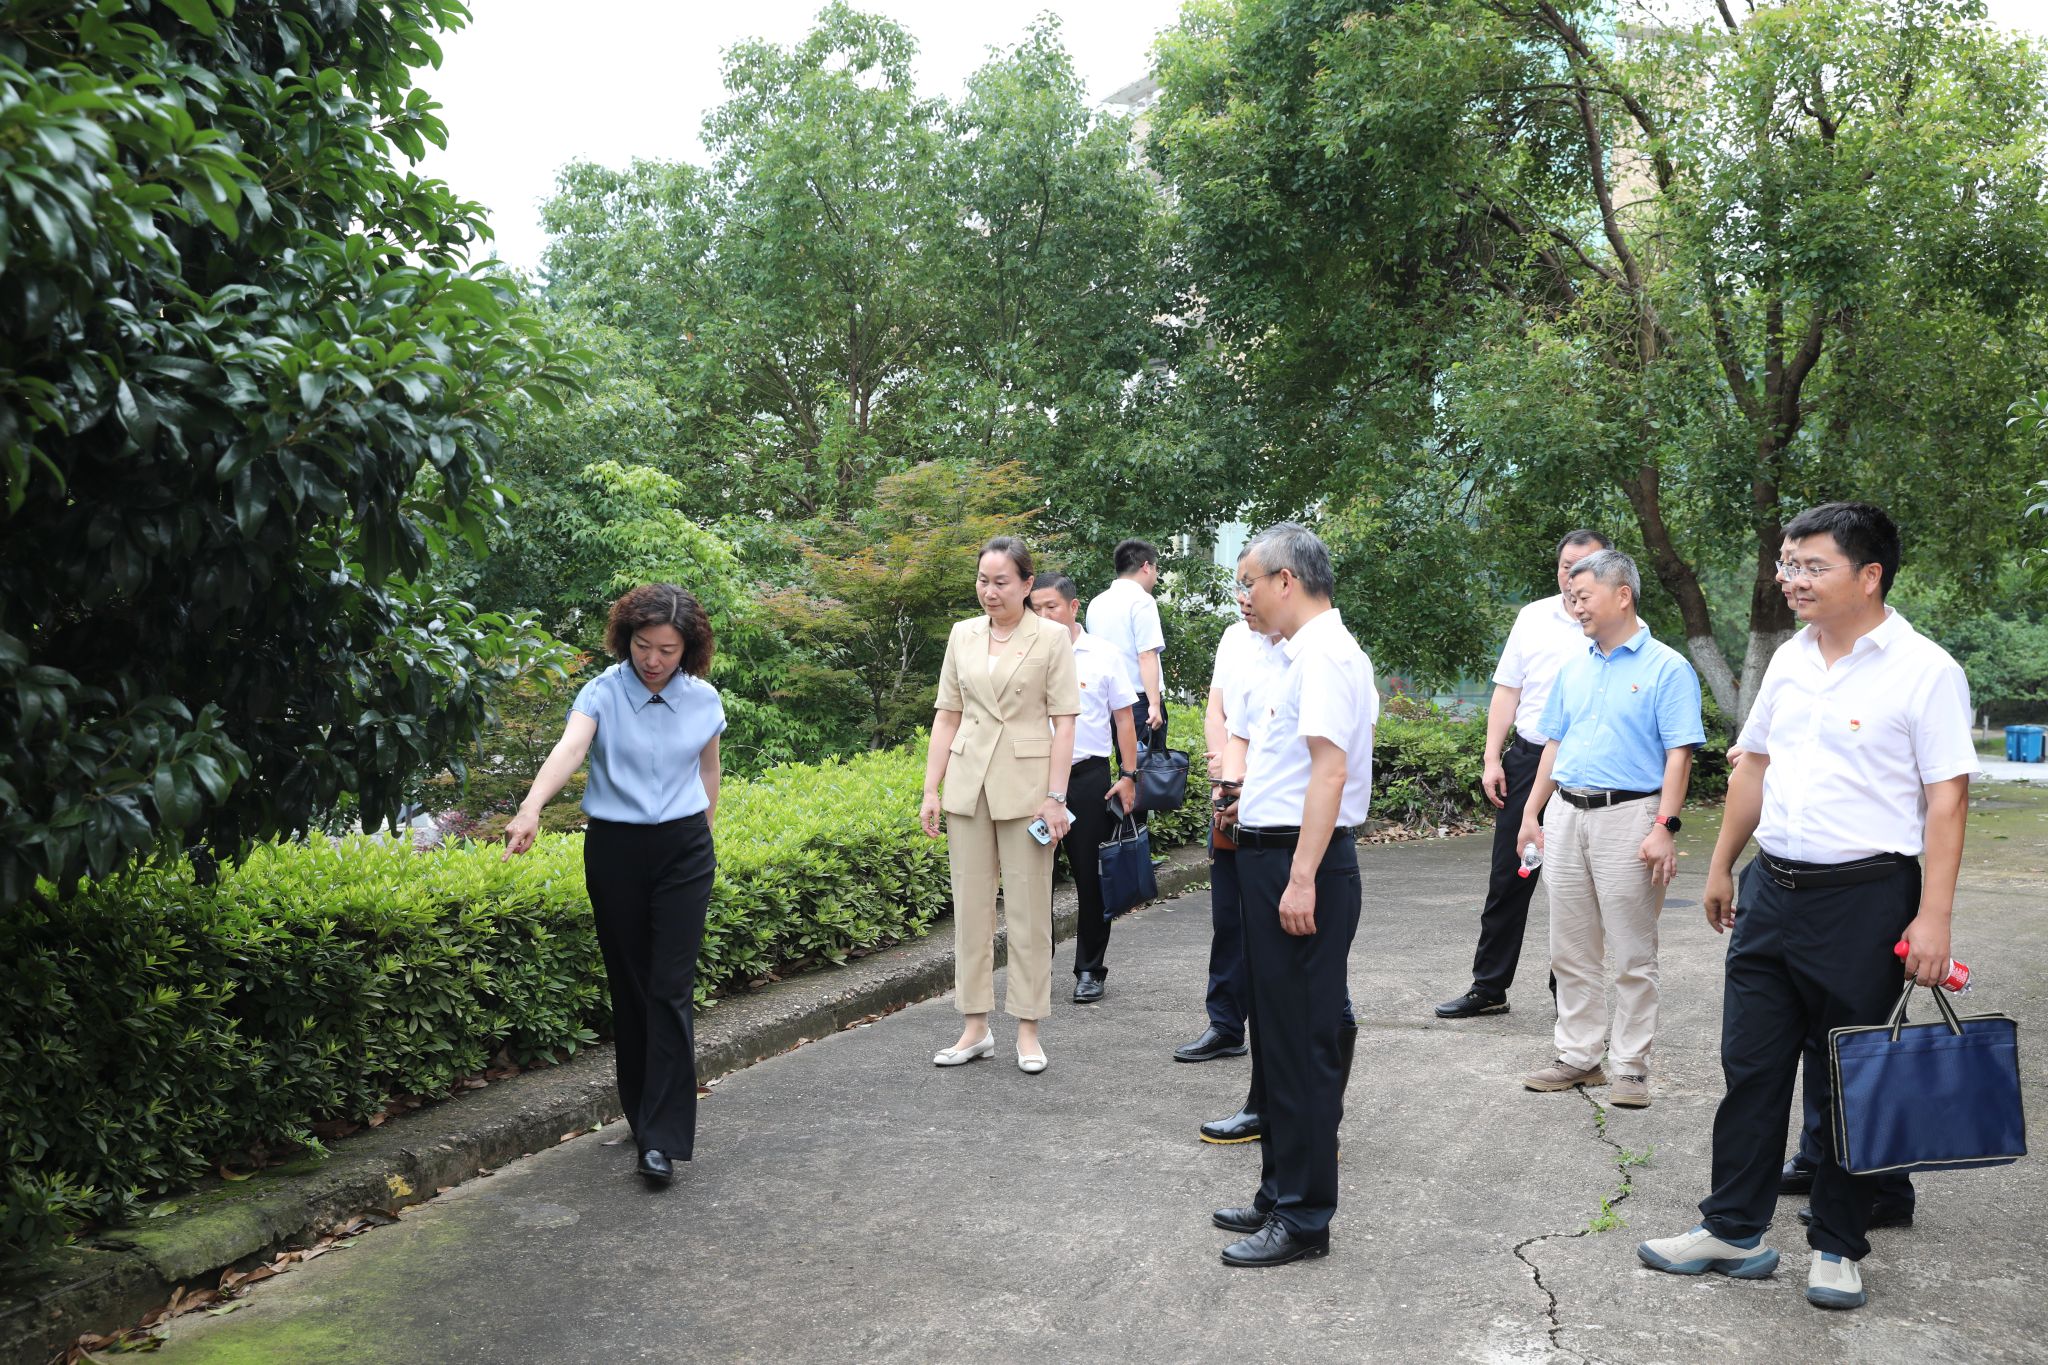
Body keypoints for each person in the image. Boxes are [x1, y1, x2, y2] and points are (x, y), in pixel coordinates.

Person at [1638, 502, 1976, 1312]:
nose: (1792, 579)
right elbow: (1753, 765)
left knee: (1851, 1077)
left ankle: (1837, 1244)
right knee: (1749, 1065)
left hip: (1867, 899)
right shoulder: (1791, 658)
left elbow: (1947, 800)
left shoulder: (1925, 670)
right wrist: (1723, 865)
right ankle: (1732, 1227)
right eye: (1788, 563)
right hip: (1772, 889)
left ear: (1870, 575)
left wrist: (1933, 915)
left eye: (1812, 565)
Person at [502, 584, 724, 1187]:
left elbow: (709, 770)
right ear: (626, 639)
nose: (653, 660)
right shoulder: (602, 691)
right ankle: (641, 1112)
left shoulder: (703, 699)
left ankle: (662, 1139)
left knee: (670, 988)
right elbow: (570, 748)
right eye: (643, 645)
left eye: (668, 650)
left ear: (689, 649)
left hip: (684, 849)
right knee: (631, 986)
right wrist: (530, 807)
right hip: (616, 848)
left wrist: (702, 834)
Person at [1208, 523, 1375, 1269]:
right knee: (1276, 1039)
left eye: (1250, 581)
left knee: (1305, 1044)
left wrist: (1302, 874)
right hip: (1268, 856)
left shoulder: (1329, 655)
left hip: (1301, 865)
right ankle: (1278, 1192)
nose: (1244, 596)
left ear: (1286, 580)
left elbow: (1330, 773)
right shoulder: (1291, 654)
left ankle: (1305, 1217)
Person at [1516, 548, 1703, 1109]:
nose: (1575, 607)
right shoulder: (1574, 667)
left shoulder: (1668, 667)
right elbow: (1554, 744)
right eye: (1571, 598)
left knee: (1631, 953)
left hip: (1631, 818)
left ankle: (1631, 1067)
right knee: (1570, 949)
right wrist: (1532, 812)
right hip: (1566, 814)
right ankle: (1579, 1057)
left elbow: (1679, 754)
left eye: (1584, 596)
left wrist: (1665, 826)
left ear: (1622, 595)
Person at [1435, 529, 1612, 1020]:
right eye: (1567, 566)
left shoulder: (1619, 625)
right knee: (1510, 876)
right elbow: (1508, 690)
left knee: (1577, 885)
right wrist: (1492, 758)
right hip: (1530, 759)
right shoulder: (1533, 617)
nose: (1573, 577)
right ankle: (1489, 987)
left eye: (1587, 567)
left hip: (1590, 765)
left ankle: (1568, 994)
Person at [921, 538, 1081, 1074]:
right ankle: (975, 1026)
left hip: (1028, 791)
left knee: (1029, 913)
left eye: (1001, 582)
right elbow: (947, 714)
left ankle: (1029, 1029)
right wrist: (931, 789)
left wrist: (1056, 797)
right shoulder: (962, 634)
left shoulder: (1051, 637)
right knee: (970, 912)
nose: (989, 592)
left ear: (1028, 584)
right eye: (983, 581)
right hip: (969, 785)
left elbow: (1064, 724)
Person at [1173, 556, 1286, 1068]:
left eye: (1250, 585)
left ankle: (1290, 1033)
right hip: (1232, 793)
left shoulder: (1306, 651)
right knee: (1228, 918)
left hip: (1278, 811)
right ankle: (1225, 1024)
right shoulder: (1235, 638)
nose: (1243, 597)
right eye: (1239, 586)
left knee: (1281, 930)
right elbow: (1219, 713)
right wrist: (1224, 778)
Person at [1027, 572, 1139, 1003]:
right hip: (1034, 780)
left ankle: (1090, 969)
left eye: (1051, 606)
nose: (1043, 615)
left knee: (1091, 878)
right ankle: (1037, 970)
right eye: (1036, 608)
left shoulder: (1104, 655)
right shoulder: (1024, 652)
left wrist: (1128, 775)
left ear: (1073, 607)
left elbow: (1124, 719)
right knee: (1034, 879)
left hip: (1088, 778)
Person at [1084, 538, 1167, 739]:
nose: (1155, 575)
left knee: (1119, 758)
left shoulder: (1096, 603)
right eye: (1156, 568)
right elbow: (1146, 654)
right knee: (1146, 759)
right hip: (1139, 703)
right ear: (1146, 566)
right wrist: (1154, 704)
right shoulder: (1142, 601)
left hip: (1105, 703)